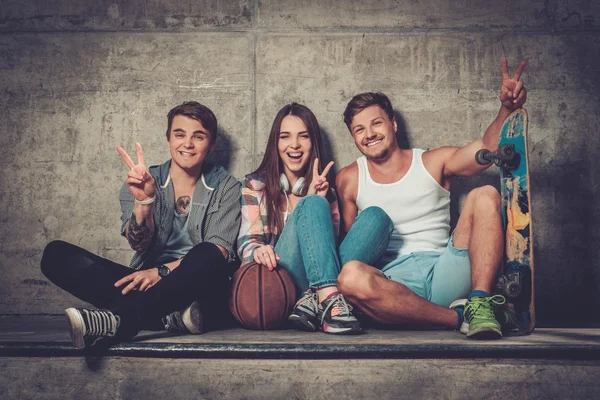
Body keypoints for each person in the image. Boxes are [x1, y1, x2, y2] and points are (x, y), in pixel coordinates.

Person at [335, 59, 527, 339]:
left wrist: (507, 109)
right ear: (353, 137)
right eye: (359, 130)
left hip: (445, 269)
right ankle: (457, 318)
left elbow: (487, 149)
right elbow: (352, 247)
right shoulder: (349, 178)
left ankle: (480, 303)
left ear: (393, 123)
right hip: (392, 286)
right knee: (350, 276)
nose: (370, 134)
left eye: (376, 123)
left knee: (484, 194)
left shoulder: (431, 161)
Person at [40, 101, 241, 348]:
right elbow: (138, 242)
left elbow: (219, 251)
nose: (187, 143)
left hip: (202, 288)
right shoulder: (141, 180)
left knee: (208, 252)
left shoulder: (227, 187)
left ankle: (122, 320)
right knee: (55, 255)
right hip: (148, 285)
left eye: (198, 136)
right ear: (168, 139)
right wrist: (144, 201)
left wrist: (162, 272)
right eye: (179, 134)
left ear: (210, 145)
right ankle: (170, 315)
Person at [237, 103, 392, 334]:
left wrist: (318, 200)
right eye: (285, 137)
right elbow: (246, 244)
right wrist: (257, 250)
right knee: (312, 203)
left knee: (376, 218)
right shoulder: (255, 186)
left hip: (315, 279)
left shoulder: (325, 193)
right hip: (279, 280)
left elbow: (328, 253)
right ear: (276, 143)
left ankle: (314, 299)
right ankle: (330, 299)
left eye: (303, 136)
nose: (295, 145)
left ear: (313, 143)